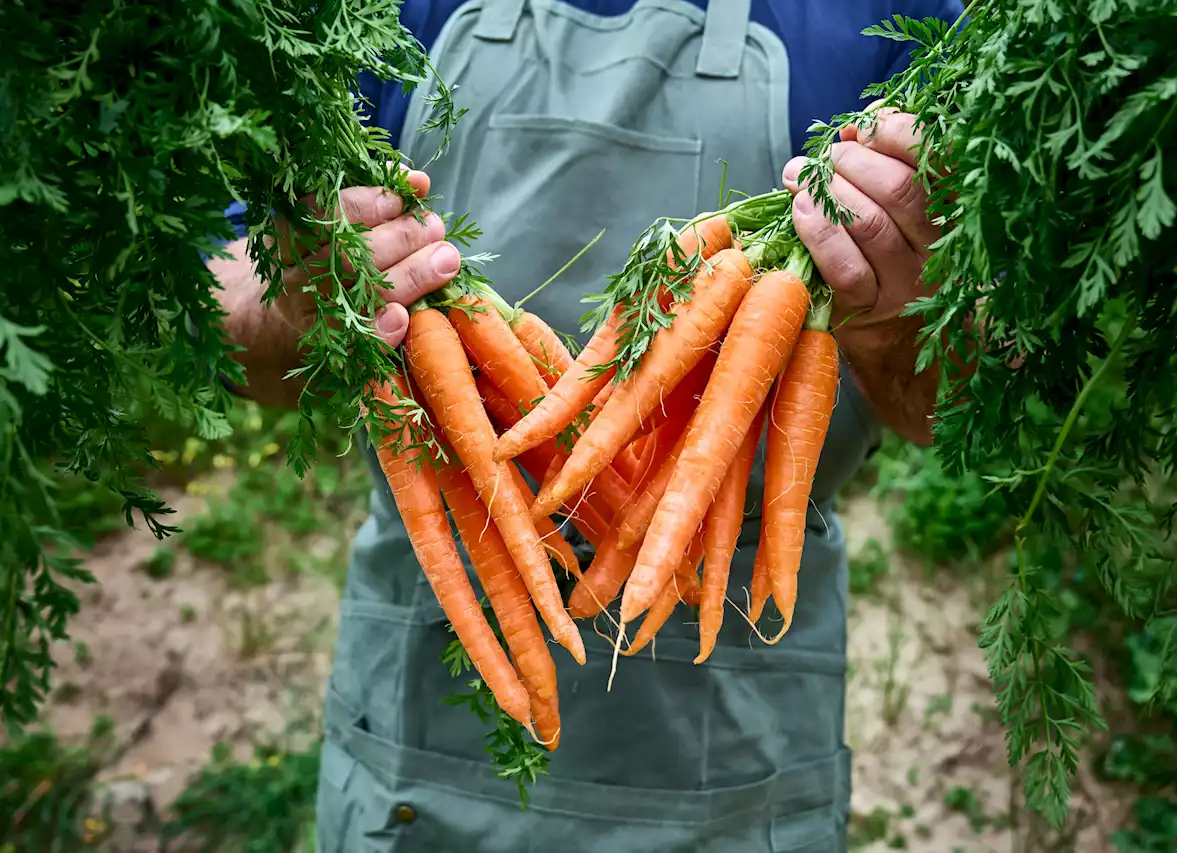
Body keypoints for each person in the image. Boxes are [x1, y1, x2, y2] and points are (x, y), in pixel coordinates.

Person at [209, 0, 962, 849]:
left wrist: (894, 316)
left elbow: (953, 407)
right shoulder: (350, 18)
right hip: (421, 727)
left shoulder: (895, 22)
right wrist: (297, 305)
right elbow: (221, 314)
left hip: (738, 747)